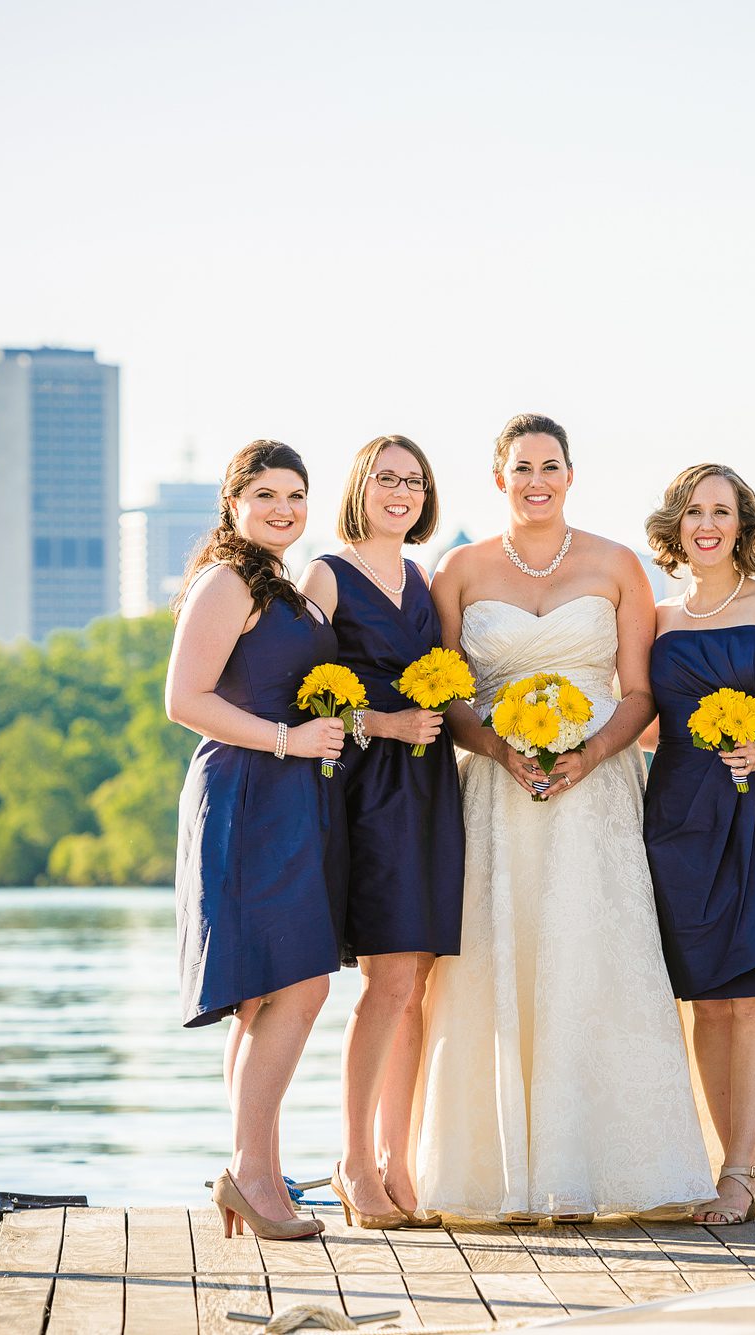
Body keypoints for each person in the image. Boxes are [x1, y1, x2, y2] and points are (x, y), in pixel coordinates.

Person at [415, 413, 714, 1220]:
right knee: (495, 956)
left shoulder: (617, 564)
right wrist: (499, 747)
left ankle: (600, 1172)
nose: (536, 478)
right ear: (499, 478)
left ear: (571, 475)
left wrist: (587, 755)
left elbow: (642, 691)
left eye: (550, 464)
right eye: (522, 466)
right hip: (496, 788)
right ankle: (497, 1174)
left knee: (595, 955)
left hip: (600, 790)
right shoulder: (460, 569)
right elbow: (446, 687)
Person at [166, 441, 346, 1242]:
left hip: (289, 799)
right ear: (233, 501)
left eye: (297, 495)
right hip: (244, 795)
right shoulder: (226, 580)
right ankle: (252, 1172)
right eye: (267, 494)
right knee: (298, 986)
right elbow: (183, 698)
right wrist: (287, 739)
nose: (284, 508)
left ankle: (257, 1173)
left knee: (270, 992)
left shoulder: (287, 589)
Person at [640, 463, 755, 1225]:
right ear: (676, 525)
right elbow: (645, 719)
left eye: (721, 511)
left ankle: (744, 1169)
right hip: (678, 813)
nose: (707, 524)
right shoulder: (654, 618)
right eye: (694, 511)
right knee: (701, 1001)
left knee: (753, 994)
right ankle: (712, 1157)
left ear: (744, 526)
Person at [298, 435, 463, 1231]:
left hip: (431, 785)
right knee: (386, 978)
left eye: (413, 480)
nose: (400, 491)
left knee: (420, 981)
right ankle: (354, 1162)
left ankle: (402, 1164)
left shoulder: (423, 577)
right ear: (361, 488)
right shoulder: (325, 574)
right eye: (386, 478)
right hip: (369, 787)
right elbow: (300, 691)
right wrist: (383, 721)